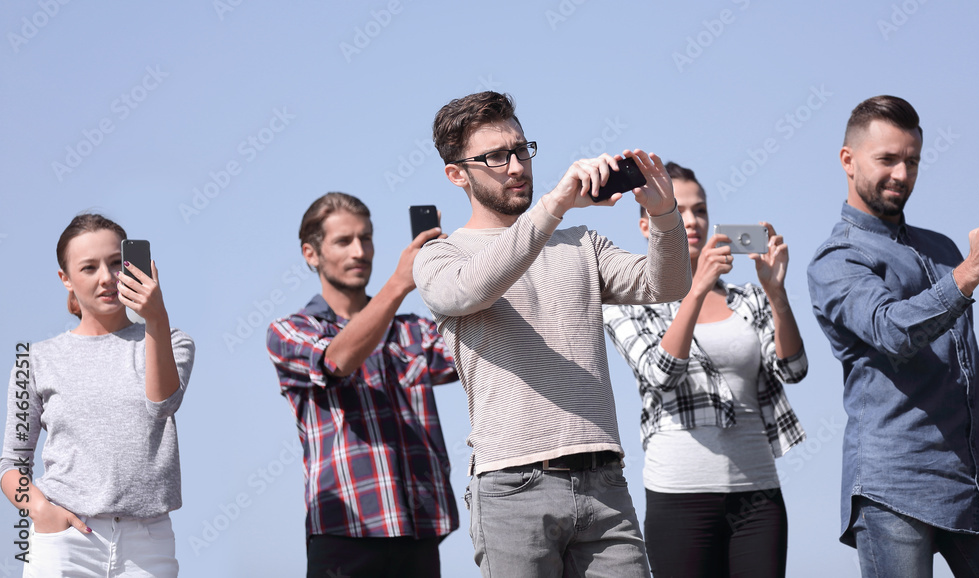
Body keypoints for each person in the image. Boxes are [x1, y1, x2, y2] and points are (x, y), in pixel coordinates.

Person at [412, 91, 692, 577]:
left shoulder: (581, 242)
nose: (516, 166)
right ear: (457, 174)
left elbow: (667, 283)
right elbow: (470, 291)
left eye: (521, 150)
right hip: (512, 488)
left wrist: (665, 215)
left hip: (605, 484)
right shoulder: (440, 255)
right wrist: (555, 205)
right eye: (496, 156)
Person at [807, 95, 979, 576]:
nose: (901, 174)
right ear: (847, 161)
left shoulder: (941, 249)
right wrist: (970, 273)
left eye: (911, 161)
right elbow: (891, 330)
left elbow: (967, 366)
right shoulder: (836, 259)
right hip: (896, 485)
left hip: (977, 480)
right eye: (887, 159)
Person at [603, 161, 807, 577]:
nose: (692, 221)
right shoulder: (628, 300)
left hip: (757, 493)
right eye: (678, 210)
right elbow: (661, 374)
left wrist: (776, 294)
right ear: (647, 226)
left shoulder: (748, 298)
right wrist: (694, 289)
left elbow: (795, 368)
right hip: (679, 494)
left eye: (700, 210)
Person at [266, 192, 459, 578]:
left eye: (366, 238)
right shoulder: (290, 331)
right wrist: (399, 284)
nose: (359, 251)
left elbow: (480, 356)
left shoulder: (413, 329)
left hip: (420, 530)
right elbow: (337, 360)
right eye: (343, 241)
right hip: (345, 533)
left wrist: (452, 274)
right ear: (311, 253)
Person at [0, 213, 195, 577]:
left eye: (117, 263)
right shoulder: (33, 360)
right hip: (64, 541)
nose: (107, 277)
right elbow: (11, 464)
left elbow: (162, 404)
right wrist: (40, 511)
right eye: (88, 267)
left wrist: (156, 319)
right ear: (66, 279)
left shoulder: (172, 340)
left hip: (148, 544)